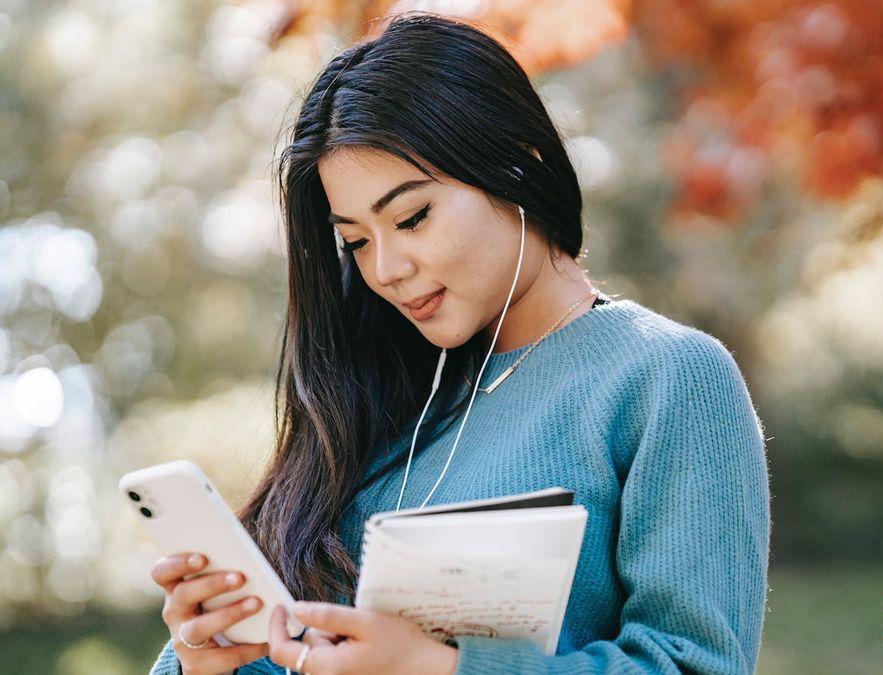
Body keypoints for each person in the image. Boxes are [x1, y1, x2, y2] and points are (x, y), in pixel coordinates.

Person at [147, 12, 770, 675]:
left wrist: (437, 666)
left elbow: (696, 665)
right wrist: (204, 660)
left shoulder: (667, 377)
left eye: (412, 217)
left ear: (518, 162)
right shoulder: (374, 398)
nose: (385, 269)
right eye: (355, 241)